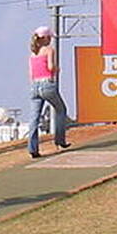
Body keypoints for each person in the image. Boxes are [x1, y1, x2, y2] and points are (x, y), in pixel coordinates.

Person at [28, 26, 72, 158]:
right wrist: (57, 70)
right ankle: (60, 140)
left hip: (34, 85)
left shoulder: (33, 53)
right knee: (61, 110)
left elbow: (30, 73)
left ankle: (33, 148)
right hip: (47, 84)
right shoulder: (49, 50)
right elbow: (51, 67)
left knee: (34, 118)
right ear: (46, 38)